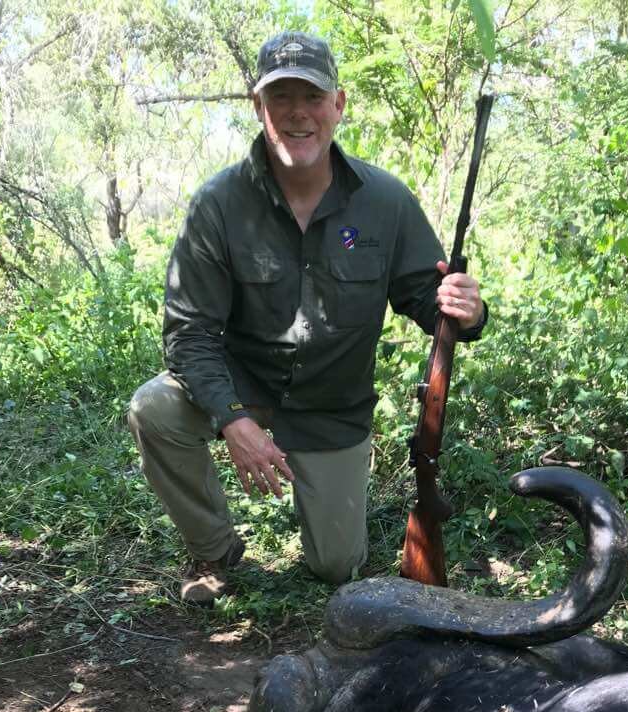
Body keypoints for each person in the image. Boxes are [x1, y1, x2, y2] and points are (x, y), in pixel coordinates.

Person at [129, 31, 487, 605]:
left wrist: (466, 311)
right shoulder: (217, 205)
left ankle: (328, 524)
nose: (298, 114)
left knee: (338, 569)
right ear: (259, 108)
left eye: (313, 97)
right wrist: (232, 418)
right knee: (153, 408)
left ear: (338, 105)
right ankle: (215, 549)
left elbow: (428, 299)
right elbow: (189, 333)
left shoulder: (386, 201)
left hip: (332, 407)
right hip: (244, 385)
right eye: (281, 98)